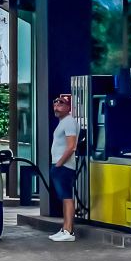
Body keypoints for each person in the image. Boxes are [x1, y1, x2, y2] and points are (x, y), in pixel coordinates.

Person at [49, 93, 78, 242]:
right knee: (64, 197)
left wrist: (59, 163)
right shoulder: (63, 122)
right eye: (55, 104)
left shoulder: (69, 122)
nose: (56, 107)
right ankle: (65, 228)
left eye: (60, 104)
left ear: (68, 108)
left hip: (64, 166)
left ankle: (69, 231)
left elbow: (72, 146)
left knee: (67, 198)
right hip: (60, 165)